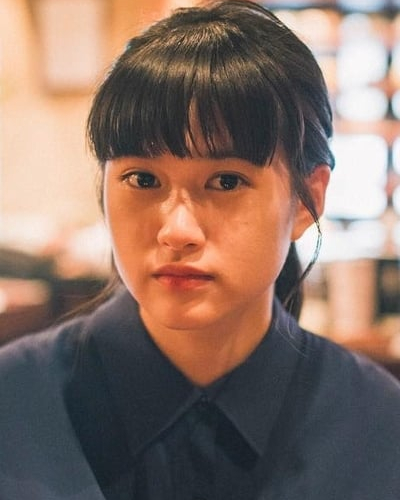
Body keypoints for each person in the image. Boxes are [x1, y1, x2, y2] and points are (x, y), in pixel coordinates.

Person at [1, 1, 400, 498]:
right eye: (142, 179)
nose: (177, 230)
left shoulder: (376, 428)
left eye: (226, 181)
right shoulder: (14, 406)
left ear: (307, 201)